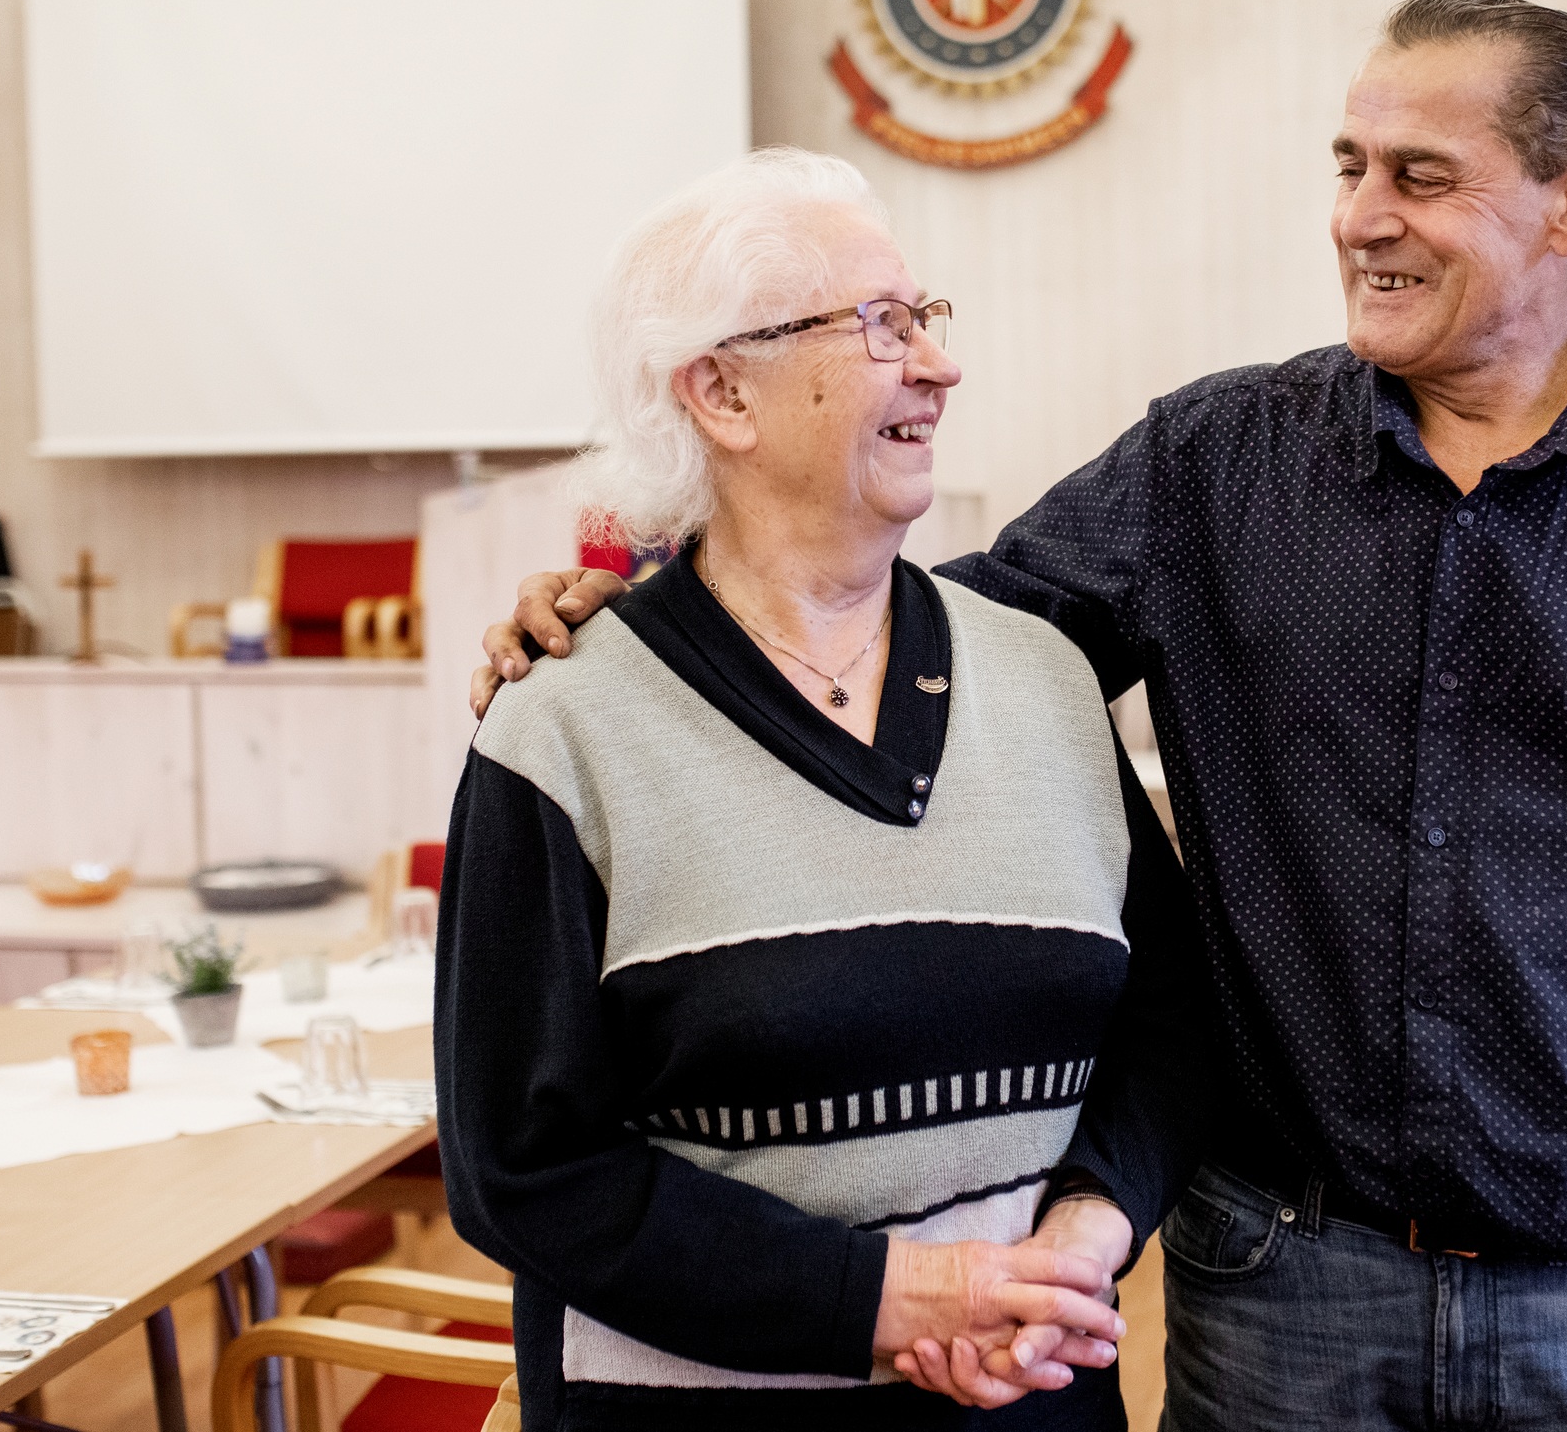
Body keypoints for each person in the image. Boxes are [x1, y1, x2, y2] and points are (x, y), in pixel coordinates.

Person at [476, 0, 1567, 1432]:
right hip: (1279, 1281)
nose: (1363, 215)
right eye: (1350, 167)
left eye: (1421, 176)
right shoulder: (1212, 460)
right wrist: (651, 599)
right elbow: (929, 637)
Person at [435, 147, 1207, 1431]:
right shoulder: (564, 726)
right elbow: (523, 1168)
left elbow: (1172, 1021)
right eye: (882, 326)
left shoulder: (1049, 681)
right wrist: (892, 1300)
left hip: (1034, 1403)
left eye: (927, 318)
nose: (938, 363)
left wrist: (1086, 1230)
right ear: (723, 392)